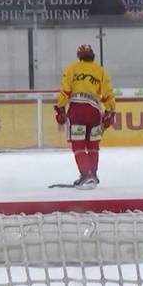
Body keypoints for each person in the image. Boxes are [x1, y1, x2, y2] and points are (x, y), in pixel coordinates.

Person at [54, 44, 115, 189]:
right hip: (95, 111)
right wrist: (110, 111)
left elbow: (65, 92)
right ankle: (92, 175)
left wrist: (60, 108)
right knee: (93, 145)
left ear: (79, 56)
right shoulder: (101, 71)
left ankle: (85, 174)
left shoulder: (72, 69)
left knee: (78, 144)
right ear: (92, 55)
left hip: (77, 110)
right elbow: (108, 94)